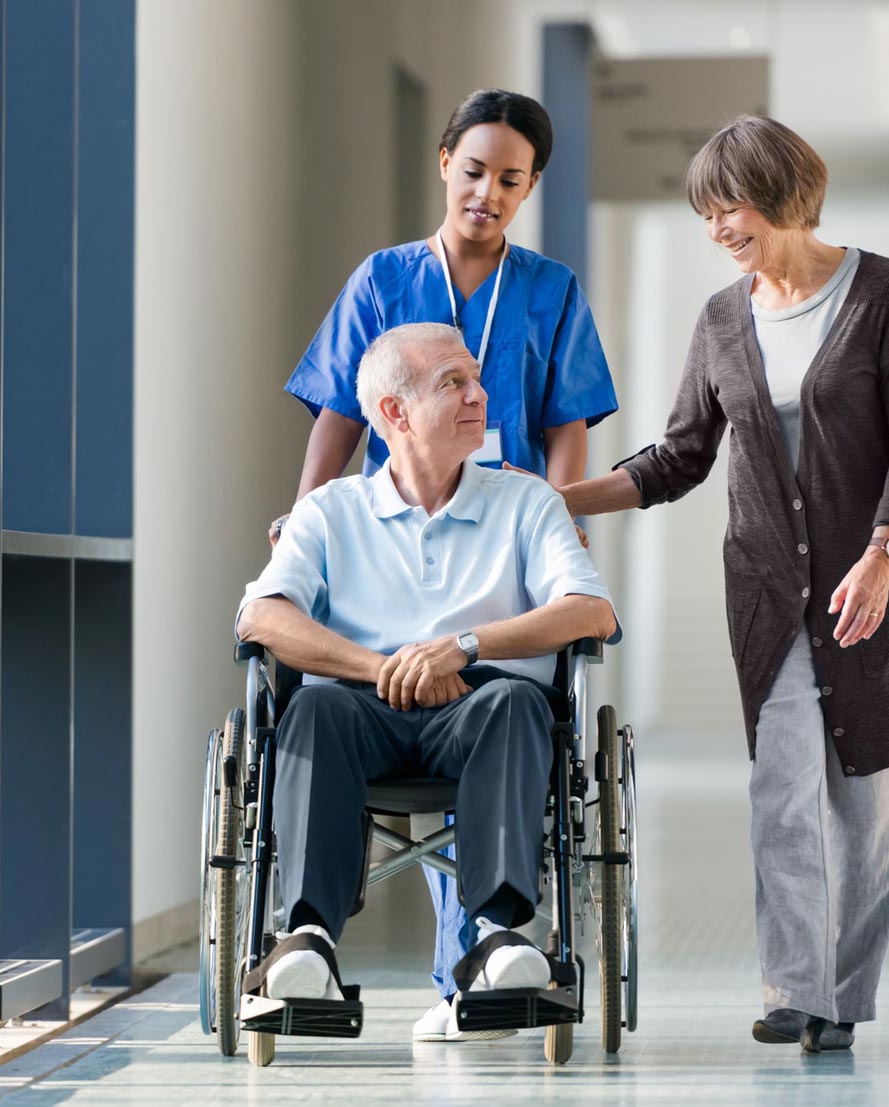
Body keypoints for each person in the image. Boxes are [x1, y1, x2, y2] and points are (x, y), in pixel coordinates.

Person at [552, 116, 889, 1053]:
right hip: (770, 594)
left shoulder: (882, 292)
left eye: (729, 205)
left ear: (783, 195)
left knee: (865, 809)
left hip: (873, 588)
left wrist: (884, 551)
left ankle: (843, 1001)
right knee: (783, 790)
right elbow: (681, 454)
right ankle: (795, 986)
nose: (719, 226)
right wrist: (558, 498)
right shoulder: (723, 319)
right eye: (707, 211)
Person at [273, 88, 619, 1042]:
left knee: (498, 704)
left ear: (530, 187)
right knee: (353, 700)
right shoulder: (384, 280)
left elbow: (565, 425)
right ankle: (332, 945)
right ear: (444, 165)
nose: (488, 194)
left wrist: (557, 521)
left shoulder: (547, 291)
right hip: (395, 520)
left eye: (510, 181)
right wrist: (310, 513)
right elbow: (344, 410)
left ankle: (479, 960)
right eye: (474, 173)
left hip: (499, 527)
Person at [236, 323, 617, 1028]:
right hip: (360, 708)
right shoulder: (330, 510)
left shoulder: (526, 501)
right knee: (310, 713)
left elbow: (590, 610)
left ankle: (498, 935)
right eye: (453, 383)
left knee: (514, 704)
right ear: (394, 413)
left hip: (482, 705)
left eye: (474, 377)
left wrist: (462, 647)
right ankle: (308, 940)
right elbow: (261, 618)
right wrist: (380, 666)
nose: (480, 395)